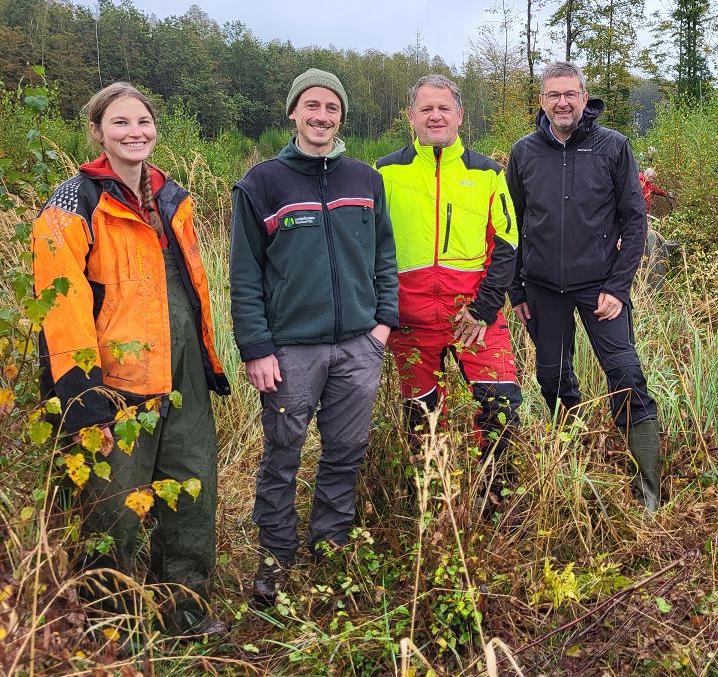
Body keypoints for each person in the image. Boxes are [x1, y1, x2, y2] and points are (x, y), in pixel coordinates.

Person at [33, 82, 230, 636]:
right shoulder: (72, 202)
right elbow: (62, 307)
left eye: (143, 121)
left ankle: (184, 610)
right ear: (98, 132)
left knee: (192, 492)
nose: (134, 132)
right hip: (114, 384)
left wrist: (210, 363)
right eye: (120, 123)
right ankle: (107, 627)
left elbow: (193, 290)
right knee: (112, 507)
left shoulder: (175, 198)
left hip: (185, 373)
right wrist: (81, 393)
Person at [230, 68, 399, 605]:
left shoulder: (365, 180)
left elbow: (385, 258)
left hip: (358, 346)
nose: (322, 116)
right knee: (283, 455)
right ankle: (275, 562)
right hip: (291, 350)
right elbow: (244, 275)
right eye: (312, 106)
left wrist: (382, 326)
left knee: (346, 451)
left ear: (341, 116)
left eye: (331, 108)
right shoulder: (261, 184)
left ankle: (330, 549)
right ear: (293, 113)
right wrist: (256, 348)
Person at [507, 61, 662, 513]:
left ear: (583, 96)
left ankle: (647, 494)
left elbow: (635, 222)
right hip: (541, 289)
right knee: (553, 378)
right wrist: (516, 291)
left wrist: (618, 285)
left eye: (570, 94)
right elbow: (511, 226)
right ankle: (570, 467)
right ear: (542, 101)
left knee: (627, 377)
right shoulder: (524, 153)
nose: (563, 102)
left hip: (601, 290)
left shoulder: (612, 146)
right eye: (554, 95)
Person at [376, 75, 521, 494]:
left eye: (443, 108)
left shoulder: (489, 173)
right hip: (410, 320)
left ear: (460, 114)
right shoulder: (384, 172)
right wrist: (385, 310)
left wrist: (484, 308)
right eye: (426, 109)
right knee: (420, 419)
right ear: (411, 117)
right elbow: (365, 245)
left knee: (500, 409)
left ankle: (496, 504)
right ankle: (430, 505)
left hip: (473, 317)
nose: (435, 115)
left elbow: (508, 242)